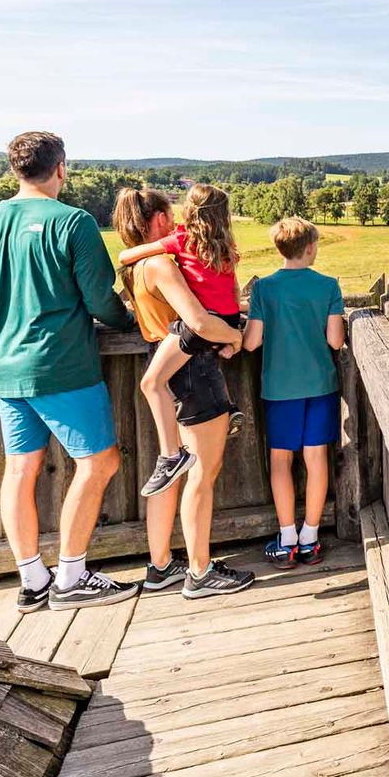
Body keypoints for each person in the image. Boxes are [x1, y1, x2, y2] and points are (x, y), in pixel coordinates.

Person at [0, 131, 138, 612]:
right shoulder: (73, 222)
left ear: (15, 170)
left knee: (21, 469)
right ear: (61, 168)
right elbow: (101, 300)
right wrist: (132, 322)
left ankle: (32, 579)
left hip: (6, 367)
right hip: (62, 364)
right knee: (99, 462)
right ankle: (72, 576)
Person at [112, 188, 256, 599]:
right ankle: (200, 571)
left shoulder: (137, 266)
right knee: (202, 475)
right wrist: (235, 336)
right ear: (158, 218)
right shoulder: (162, 264)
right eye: (170, 215)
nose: (176, 221)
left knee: (171, 470)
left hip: (165, 360)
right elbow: (199, 321)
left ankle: (160, 566)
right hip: (193, 369)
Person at [112, 184, 244, 497]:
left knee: (151, 384)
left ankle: (171, 455)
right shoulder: (222, 247)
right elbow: (229, 293)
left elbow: (197, 320)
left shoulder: (174, 246)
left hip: (194, 336)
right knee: (203, 475)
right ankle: (223, 410)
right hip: (219, 327)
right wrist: (234, 332)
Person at [242, 216, 346, 567]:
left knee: (281, 461)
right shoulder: (328, 286)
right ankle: (310, 538)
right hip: (319, 385)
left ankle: (287, 538)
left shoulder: (264, 288)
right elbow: (336, 340)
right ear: (311, 247)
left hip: (279, 388)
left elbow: (251, 342)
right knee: (316, 459)